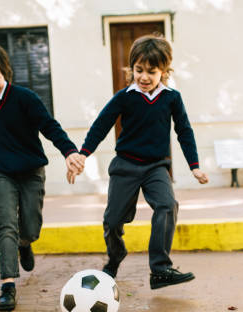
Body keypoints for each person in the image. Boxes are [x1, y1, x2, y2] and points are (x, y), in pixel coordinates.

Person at [69, 34, 208, 289]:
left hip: (156, 167)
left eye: (151, 71)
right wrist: (83, 153)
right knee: (112, 221)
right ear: (131, 68)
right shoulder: (124, 97)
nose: (144, 77)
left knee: (167, 205)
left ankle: (160, 268)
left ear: (164, 71)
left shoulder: (172, 98)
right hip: (125, 166)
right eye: (138, 70)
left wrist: (194, 166)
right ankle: (115, 256)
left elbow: (184, 132)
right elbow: (101, 125)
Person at [0, 43, 84, 312]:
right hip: (3, 174)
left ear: (5, 73)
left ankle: (25, 243)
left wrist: (69, 152)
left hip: (31, 173)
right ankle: (7, 286)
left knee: (30, 227)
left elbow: (49, 126)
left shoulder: (25, 98)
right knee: (6, 224)